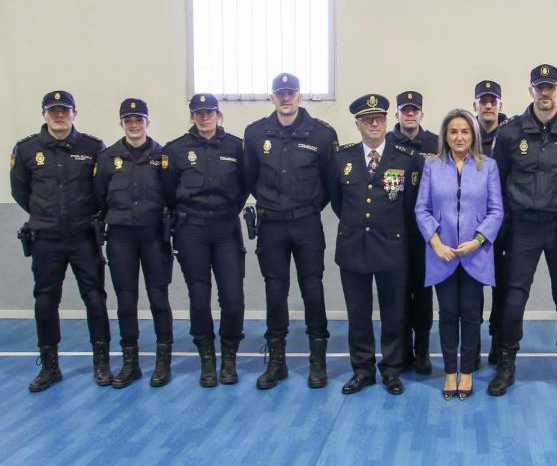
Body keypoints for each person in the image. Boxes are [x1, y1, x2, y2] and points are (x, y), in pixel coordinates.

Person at [489, 64, 557, 399]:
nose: (545, 93)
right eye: (539, 87)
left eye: (551, 87)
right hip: (522, 228)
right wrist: (500, 233)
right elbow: (497, 185)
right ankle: (506, 364)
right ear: (531, 90)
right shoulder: (510, 132)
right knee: (513, 297)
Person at [243, 73, 339, 390]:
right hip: (271, 224)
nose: (285, 98)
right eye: (280, 93)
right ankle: (276, 362)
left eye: (291, 93)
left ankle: (317, 362)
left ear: (300, 96)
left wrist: (308, 206)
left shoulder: (322, 135)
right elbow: (248, 178)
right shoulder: (255, 134)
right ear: (272, 97)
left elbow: (330, 184)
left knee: (313, 290)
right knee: (275, 292)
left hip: (306, 223)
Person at [11, 90, 111, 391]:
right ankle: (50, 366)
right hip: (46, 238)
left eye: (64, 110)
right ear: (44, 114)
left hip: (83, 236)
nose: (59, 115)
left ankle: (101, 362)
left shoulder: (93, 147)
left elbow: (102, 189)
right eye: (53, 110)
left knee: (94, 298)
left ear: (74, 113)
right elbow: (20, 191)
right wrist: (46, 215)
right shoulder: (27, 150)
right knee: (45, 301)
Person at [331, 94, 422, 396]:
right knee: (358, 314)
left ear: (387, 121)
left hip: (392, 247)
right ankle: (363, 369)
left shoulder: (406, 158)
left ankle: (392, 369)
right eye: (367, 119)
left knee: (393, 312)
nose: (374, 123)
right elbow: (337, 201)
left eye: (379, 118)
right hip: (353, 246)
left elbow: (410, 206)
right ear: (357, 124)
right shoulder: (342, 158)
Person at [415, 109, 504, 400]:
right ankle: (450, 371)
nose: (459, 137)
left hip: (474, 256)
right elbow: (422, 209)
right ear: (445, 136)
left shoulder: (488, 166)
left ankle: (466, 372)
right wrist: (436, 242)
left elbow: (496, 211)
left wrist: (478, 241)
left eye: (465, 131)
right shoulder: (432, 166)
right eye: (453, 131)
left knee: (470, 315)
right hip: (442, 255)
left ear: (473, 135)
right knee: (448, 314)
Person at [161, 93, 248, 387]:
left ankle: (230, 357)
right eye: (199, 113)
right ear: (192, 116)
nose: (205, 117)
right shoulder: (175, 150)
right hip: (192, 230)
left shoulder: (236, 146)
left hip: (226, 228)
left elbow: (245, 185)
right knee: (199, 299)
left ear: (219, 114)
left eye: (210, 112)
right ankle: (207, 359)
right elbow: (168, 189)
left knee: (233, 299)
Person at [94, 98, 174, 388]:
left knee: (158, 299)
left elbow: (171, 195)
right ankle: (131, 363)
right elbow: (99, 197)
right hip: (121, 237)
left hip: (154, 235)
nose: (134, 124)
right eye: (128, 120)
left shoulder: (163, 156)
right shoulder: (107, 158)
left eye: (139, 119)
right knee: (126, 301)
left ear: (147, 122)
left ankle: (163, 362)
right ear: (122, 123)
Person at [386, 90, 438, 375]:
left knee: (423, 295)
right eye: (404, 109)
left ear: (421, 113)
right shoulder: (386, 144)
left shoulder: (434, 144)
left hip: (426, 236)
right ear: (397, 114)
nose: (409, 114)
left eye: (414, 109)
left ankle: (422, 351)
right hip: (394, 234)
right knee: (397, 296)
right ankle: (401, 350)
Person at [473, 80, 510, 365]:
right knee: (472, 289)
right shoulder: (463, 135)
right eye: (483, 100)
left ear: (500, 105)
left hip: (506, 228)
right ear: (475, 105)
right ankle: (471, 346)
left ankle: (498, 341)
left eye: (493, 100)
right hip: (471, 228)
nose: (488, 105)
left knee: (504, 289)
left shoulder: (511, 135)